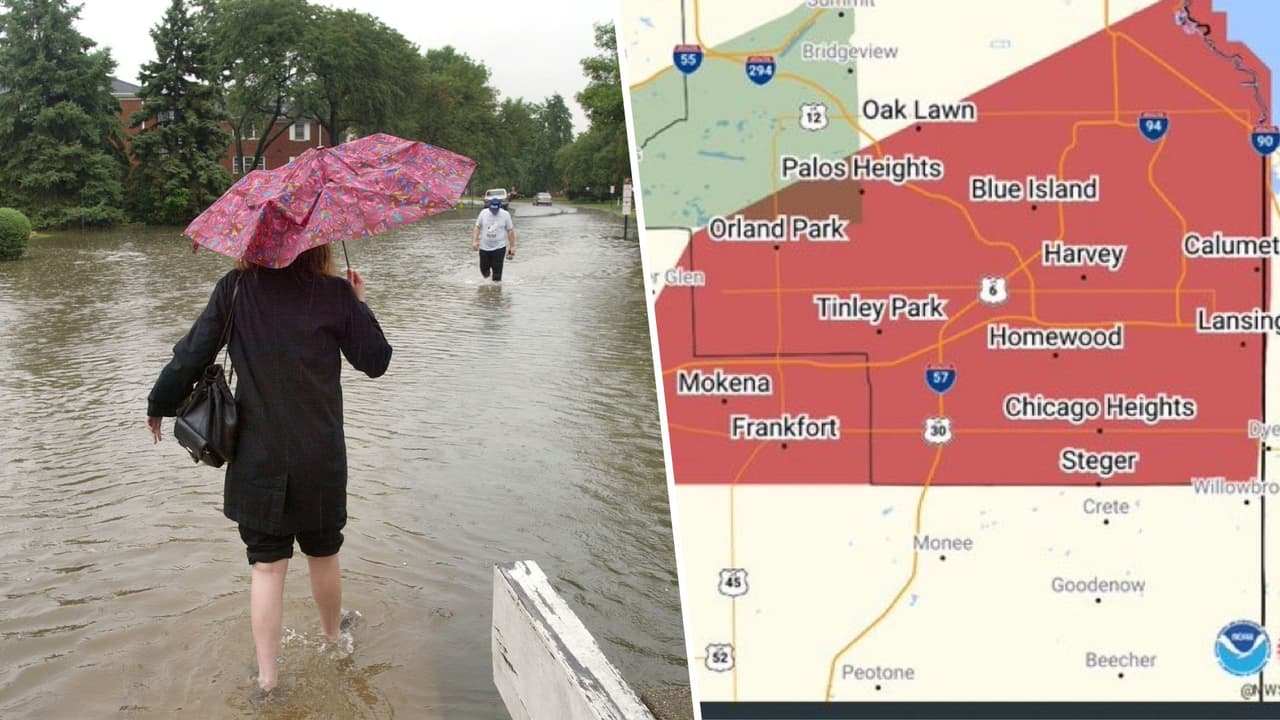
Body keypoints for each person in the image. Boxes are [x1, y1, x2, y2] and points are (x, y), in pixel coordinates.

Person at [144, 245, 392, 696]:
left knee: (266, 566)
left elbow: (192, 353)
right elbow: (376, 361)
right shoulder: (333, 293)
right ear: (315, 242)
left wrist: (159, 403)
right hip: (319, 454)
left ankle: (267, 680)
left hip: (257, 455)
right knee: (324, 551)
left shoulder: (235, 290)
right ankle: (334, 640)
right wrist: (358, 302)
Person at [473, 197, 516, 282]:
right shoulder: (483, 213)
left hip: (499, 248)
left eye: (496, 210)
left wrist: (512, 246)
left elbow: (510, 230)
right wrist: (475, 241)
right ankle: (487, 286)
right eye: (492, 210)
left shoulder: (505, 214)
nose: (494, 212)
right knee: (484, 271)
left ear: (499, 207)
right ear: (489, 207)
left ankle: (495, 293)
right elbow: (477, 227)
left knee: (497, 276)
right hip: (484, 247)